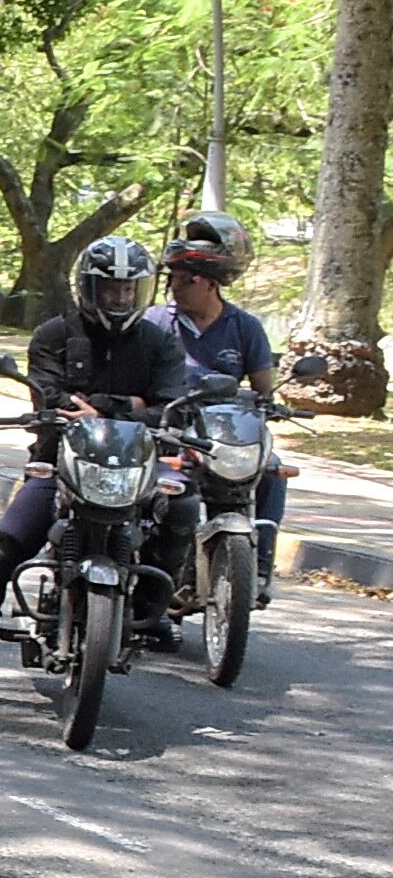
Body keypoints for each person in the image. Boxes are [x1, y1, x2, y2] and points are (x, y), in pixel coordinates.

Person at [0, 236, 188, 702]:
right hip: (57, 463)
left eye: (130, 290)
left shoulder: (160, 343)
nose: (122, 298)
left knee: (180, 507)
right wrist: (131, 405)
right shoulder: (53, 335)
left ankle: (152, 614)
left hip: (134, 469)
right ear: (89, 288)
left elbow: (170, 409)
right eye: (112, 289)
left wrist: (105, 408)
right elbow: (50, 397)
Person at [146, 211, 287, 601]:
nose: (174, 287)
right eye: (171, 278)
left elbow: (262, 393)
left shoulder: (245, 327)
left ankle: (258, 566)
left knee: (272, 471)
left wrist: (269, 407)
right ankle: (158, 579)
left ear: (209, 284)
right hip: (169, 431)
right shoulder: (155, 322)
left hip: (225, 437)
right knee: (165, 493)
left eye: (183, 280)